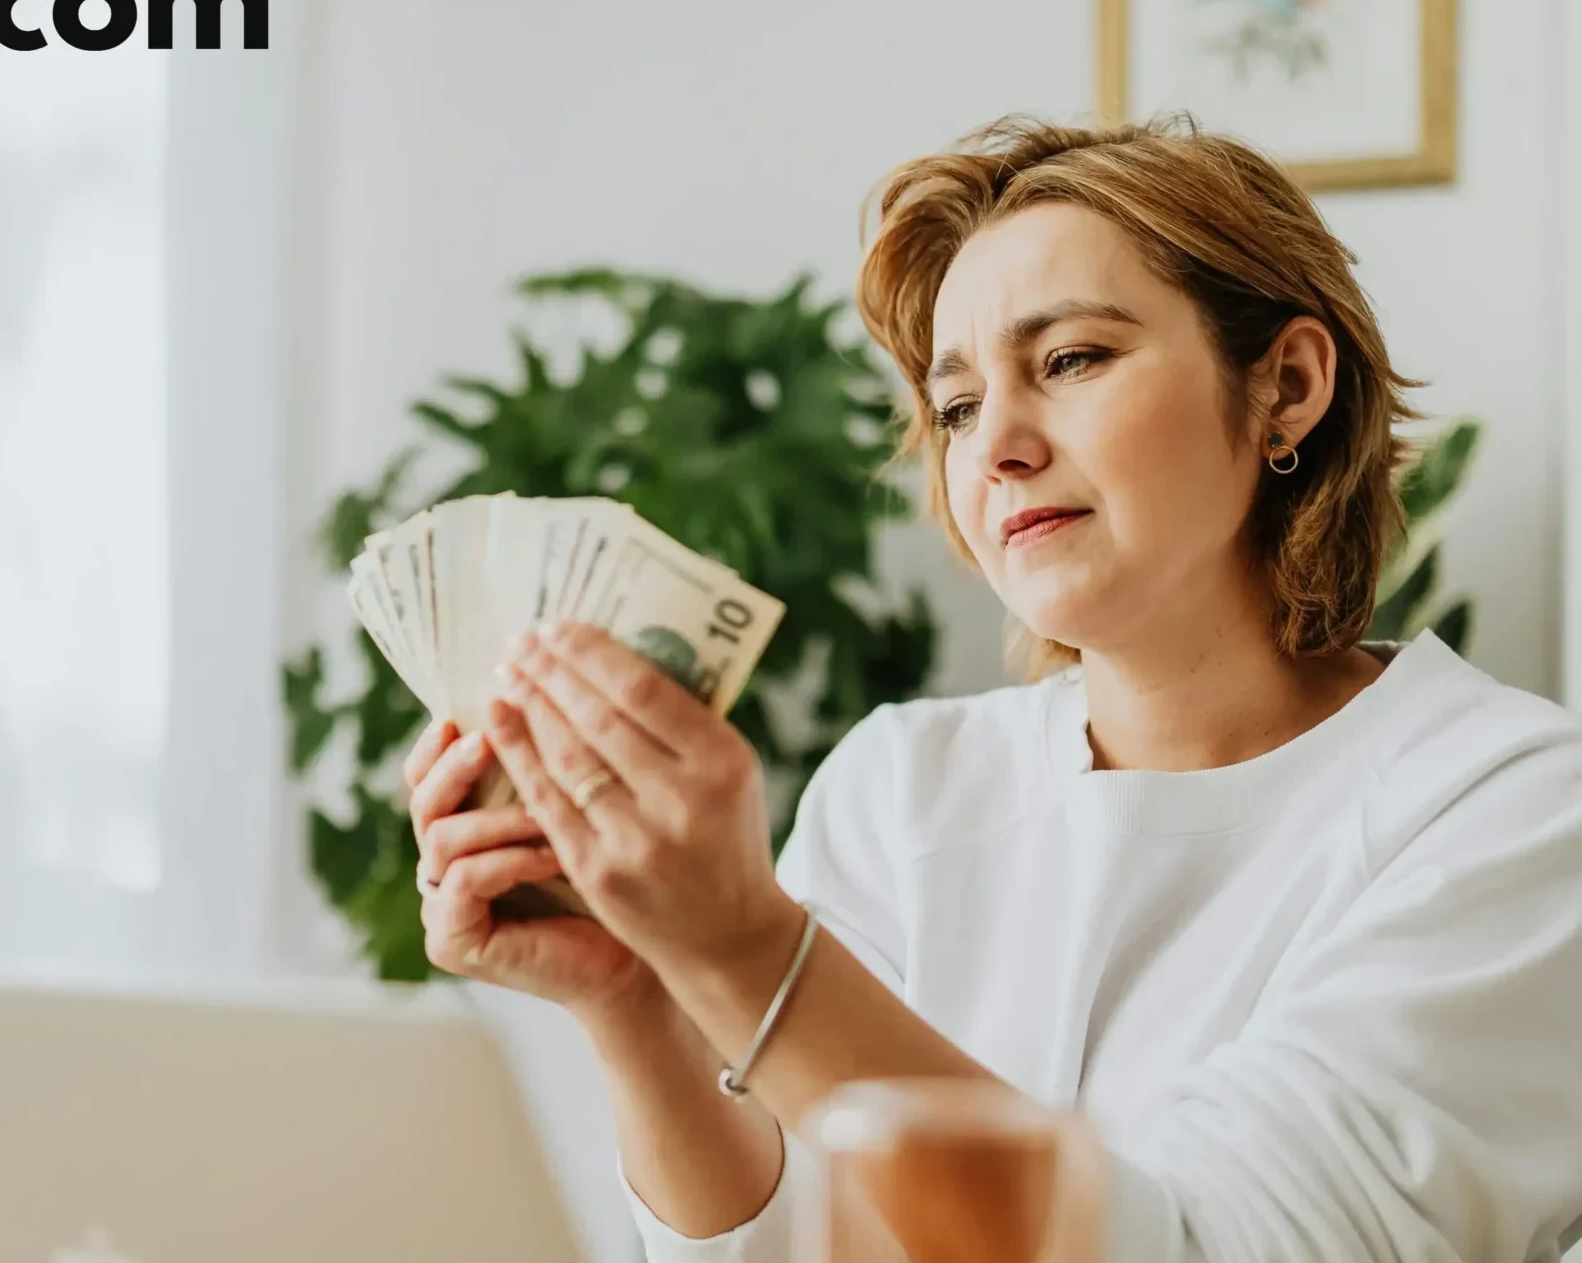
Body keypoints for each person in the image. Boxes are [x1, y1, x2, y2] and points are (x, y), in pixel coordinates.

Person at [403, 116, 1582, 1263]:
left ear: (1286, 384)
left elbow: (1213, 1248)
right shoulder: (899, 783)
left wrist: (747, 951)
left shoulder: (1513, 812)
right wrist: (637, 1001)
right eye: (957, 404)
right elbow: (776, 1252)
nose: (995, 445)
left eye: (1069, 359)